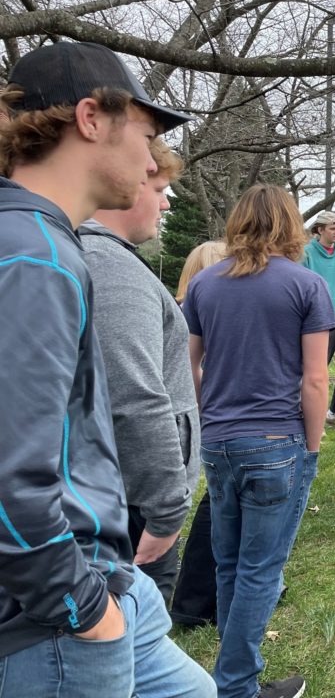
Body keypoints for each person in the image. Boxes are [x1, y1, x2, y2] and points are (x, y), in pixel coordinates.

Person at [0, 41, 214, 697]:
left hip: (106, 577)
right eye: (147, 135)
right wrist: (87, 614)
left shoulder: (46, 241)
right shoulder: (33, 257)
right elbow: (12, 480)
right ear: (91, 119)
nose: (153, 162)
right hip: (58, 620)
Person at [184, 184, 335, 698]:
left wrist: (215, 416)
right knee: (260, 571)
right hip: (277, 441)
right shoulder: (306, 285)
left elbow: (192, 368)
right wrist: (311, 449)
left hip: (220, 442)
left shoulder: (204, 284)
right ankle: (238, 686)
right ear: (290, 226)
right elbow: (316, 380)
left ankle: (235, 677)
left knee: (230, 564)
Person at [81, 139, 200, 605]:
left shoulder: (107, 259)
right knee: (135, 651)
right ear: (127, 184)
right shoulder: (109, 268)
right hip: (133, 507)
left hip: (129, 497)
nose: (167, 202)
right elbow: (134, 397)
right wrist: (166, 511)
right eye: (160, 186)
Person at [170, 240, 228, 630]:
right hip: (194, 419)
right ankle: (193, 600)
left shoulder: (185, 309)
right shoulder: (189, 315)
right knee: (217, 502)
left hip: (202, 415)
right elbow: (187, 372)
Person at [302, 211, 335, 428]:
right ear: (320, 230)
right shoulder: (306, 254)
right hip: (320, 322)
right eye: (332, 228)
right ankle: (311, 419)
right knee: (317, 375)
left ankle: (334, 414)